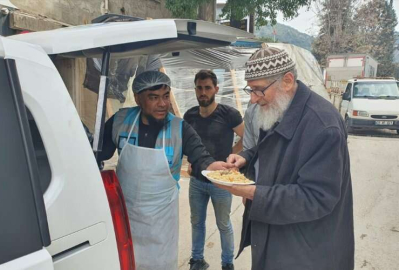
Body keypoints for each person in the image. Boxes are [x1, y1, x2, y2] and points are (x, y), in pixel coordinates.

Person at [216, 44, 355, 270]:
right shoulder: (279, 107)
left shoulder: (322, 125)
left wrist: (252, 192)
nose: (253, 99)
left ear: (287, 81)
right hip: (275, 239)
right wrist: (245, 158)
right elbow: (272, 148)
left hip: (307, 252)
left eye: (258, 90)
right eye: (249, 90)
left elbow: (316, 197)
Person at [97, 70, 232, 270]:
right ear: (138, 99)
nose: (163, 104)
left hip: (161, 220)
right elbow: (101, 152)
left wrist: (212, 166)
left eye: (166, 96)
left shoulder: (179, 128)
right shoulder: (121, 121)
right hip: (127, 216)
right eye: (154, 98)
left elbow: (200, 154)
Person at [184, 70, 244, 270]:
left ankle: (227, 264)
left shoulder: (229, 114)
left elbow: (247, 137)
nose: (203, 92)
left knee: (223, 224)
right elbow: (186, 142)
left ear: (216, 89)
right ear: (195, 89)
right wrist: (190, 159)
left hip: (221, 181)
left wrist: (230, 155)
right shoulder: (190, 115)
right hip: (197, 181)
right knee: (197, 223)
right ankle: (197, 260)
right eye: (199, 88)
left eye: (207, 88)